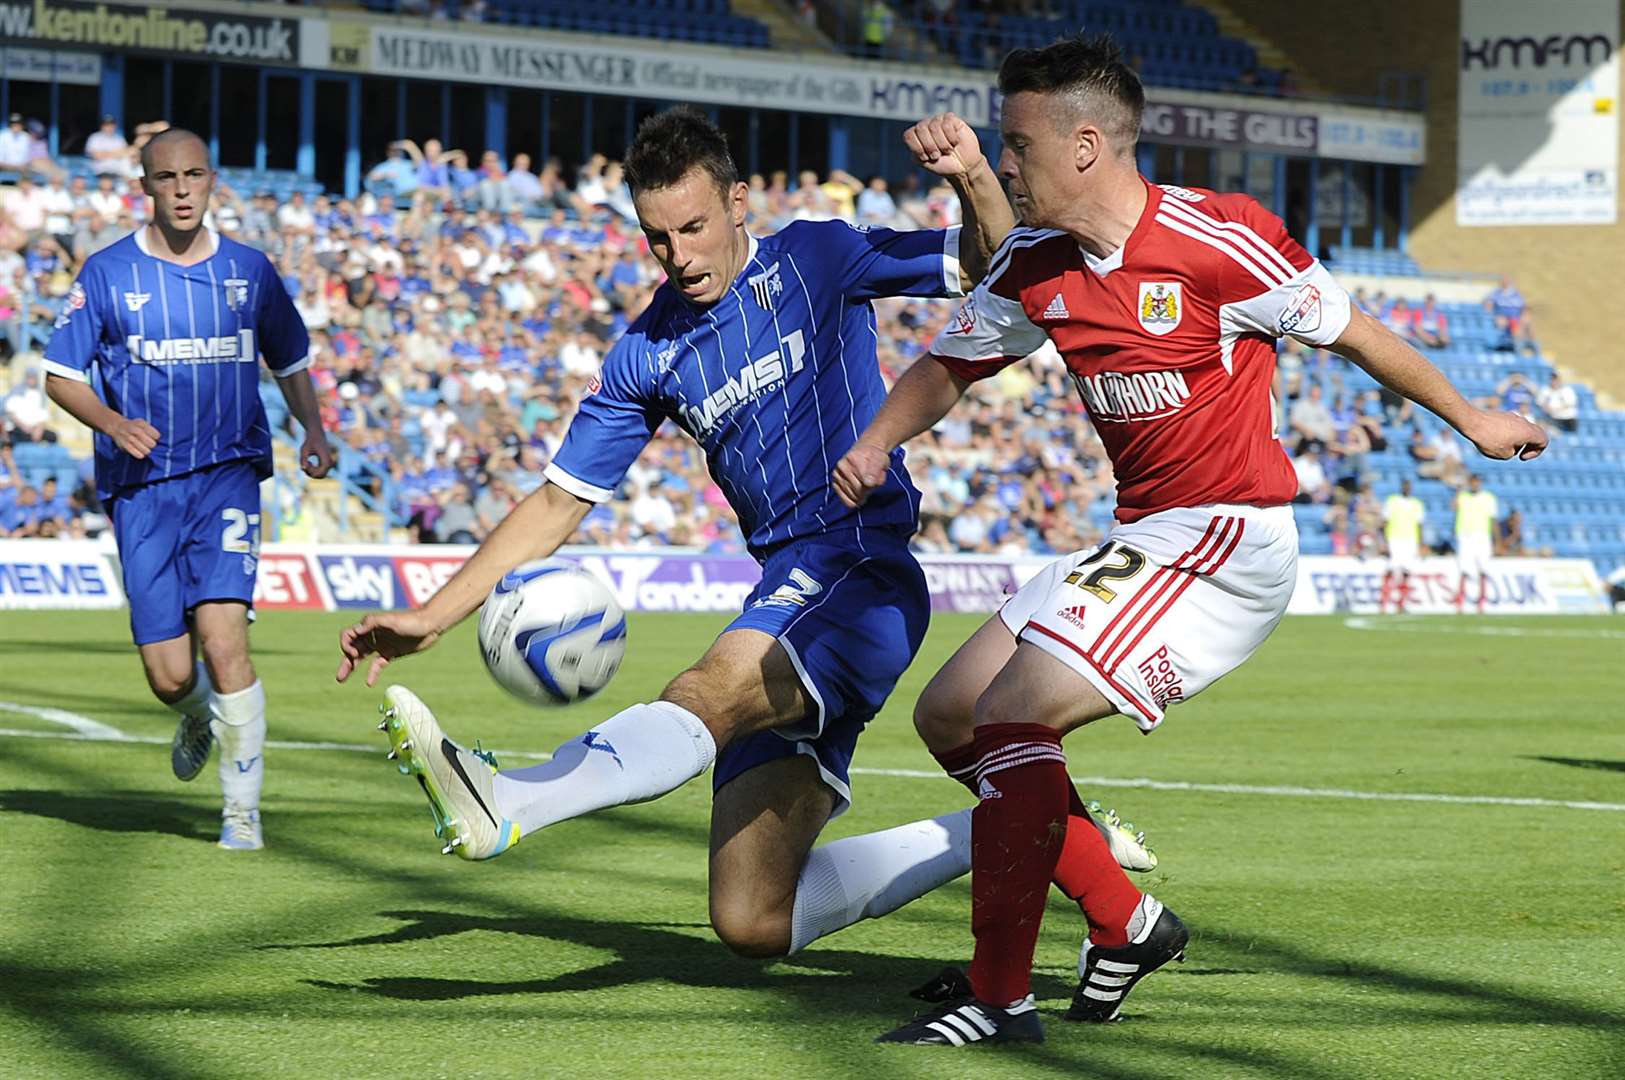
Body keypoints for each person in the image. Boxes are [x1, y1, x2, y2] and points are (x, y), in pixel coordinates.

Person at [832, 34, 1548, 1045]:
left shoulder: (1217, 239)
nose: (1004, 163)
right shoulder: (1036, 264)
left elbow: (1353, 330)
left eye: (1016, 143)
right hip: (1144, 533)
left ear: (1085, 145)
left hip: (1227, 538)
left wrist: (1468, 418)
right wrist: (873, 441)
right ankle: (1123, 920)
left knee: (1013, 715)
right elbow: (948, 367)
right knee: (952, 715)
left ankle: (998, 997)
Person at [336, 107, 1155, 962]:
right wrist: (432, 616)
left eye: (693, 227)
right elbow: (557, 502)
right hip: (784, 587)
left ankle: (510, 797)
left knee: (710, 688)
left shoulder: (816, 257)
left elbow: (987, 264)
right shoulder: (645, 353)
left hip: (857, 569)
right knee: (755, 918)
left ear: (736, 203)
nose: (679, 255)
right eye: (658, 238)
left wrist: (972, 175)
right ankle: (1022, 822)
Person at [42, 129, 336, 851]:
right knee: (171, 676)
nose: (180, 188)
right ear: (144, 185)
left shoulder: (250, 271)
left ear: (212, 182)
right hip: (143, 488)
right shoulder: (108, 273)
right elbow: (59, 374)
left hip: (229, 475)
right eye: (165, 177)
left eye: (194, 174)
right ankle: (198, 710)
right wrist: (113, 422)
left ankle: (242, 813)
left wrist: (314, 431)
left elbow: (290, 359)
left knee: (224, 640)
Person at [1453, 473, 1498, 614]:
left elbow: (1493, 520)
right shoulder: (1463, 497)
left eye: (1477, 482)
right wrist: (1459, 490)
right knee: (1464, 569)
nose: (1474, 484)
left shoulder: (1488, 498)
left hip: (1482, 536)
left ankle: (1481, 602)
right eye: (1472, 482)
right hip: (1465, 536)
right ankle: (1460, 601)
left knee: (1483, 569)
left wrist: (1496, 540)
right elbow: (1453, 506)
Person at [1380, 479, 1425, 614]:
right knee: (1391, 569)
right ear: (1401, 487)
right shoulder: (1392, 501)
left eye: (1408, 486)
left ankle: (1401, 603)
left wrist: (1420, 543)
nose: (1407, 488)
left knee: (1406, 571)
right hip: (1395, 539)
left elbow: (1419, 525)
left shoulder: (1417, 504)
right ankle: (1384, 601)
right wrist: (1385, 541)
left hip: (1410, 540)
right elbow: (1385, 522)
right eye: (1405, 486)